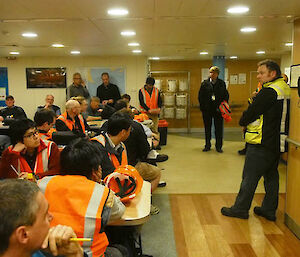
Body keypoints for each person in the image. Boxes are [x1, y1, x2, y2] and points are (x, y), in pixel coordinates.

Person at [221, 60, 290, 221]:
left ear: (272, 73)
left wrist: (243, 120)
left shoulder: (269, 92)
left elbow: (251, 113)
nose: (258, 76)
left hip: (261, 142)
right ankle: (269, 209)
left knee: (250, 177)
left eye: (261, 73)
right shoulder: (285, 89)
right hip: (276, 142)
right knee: (271, 176)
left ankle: (240, 209)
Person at [38, 138, 128, 257]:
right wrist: (99, 182)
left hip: (47, 251)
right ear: (95, 170)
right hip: (87, 253)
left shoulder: (41, 184)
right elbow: (119, 213)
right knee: (122, 249)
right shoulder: (102, 193)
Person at [0, 179, 85, 257]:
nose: (51, 217)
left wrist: (76, 253)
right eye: (45, 215)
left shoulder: (45, 251)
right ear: (24, 234)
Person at [198, 66, 229, 153]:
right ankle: (207, 145)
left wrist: (223, 107)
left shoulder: (221, 83)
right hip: (207, 110)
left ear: (217, 74)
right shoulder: (204, 83)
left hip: (218, 110)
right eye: (211, 72)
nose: (212, 74)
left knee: (218, 129)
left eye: (214, 73)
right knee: (207, 128)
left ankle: (218, 146)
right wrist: (203, 108)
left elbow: (225, 96)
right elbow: (200, 96)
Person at [91, 112, 131, 179]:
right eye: (130, 130)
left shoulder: (121, 146)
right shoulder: (97, 147)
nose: (130, 132)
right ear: (123, 132)